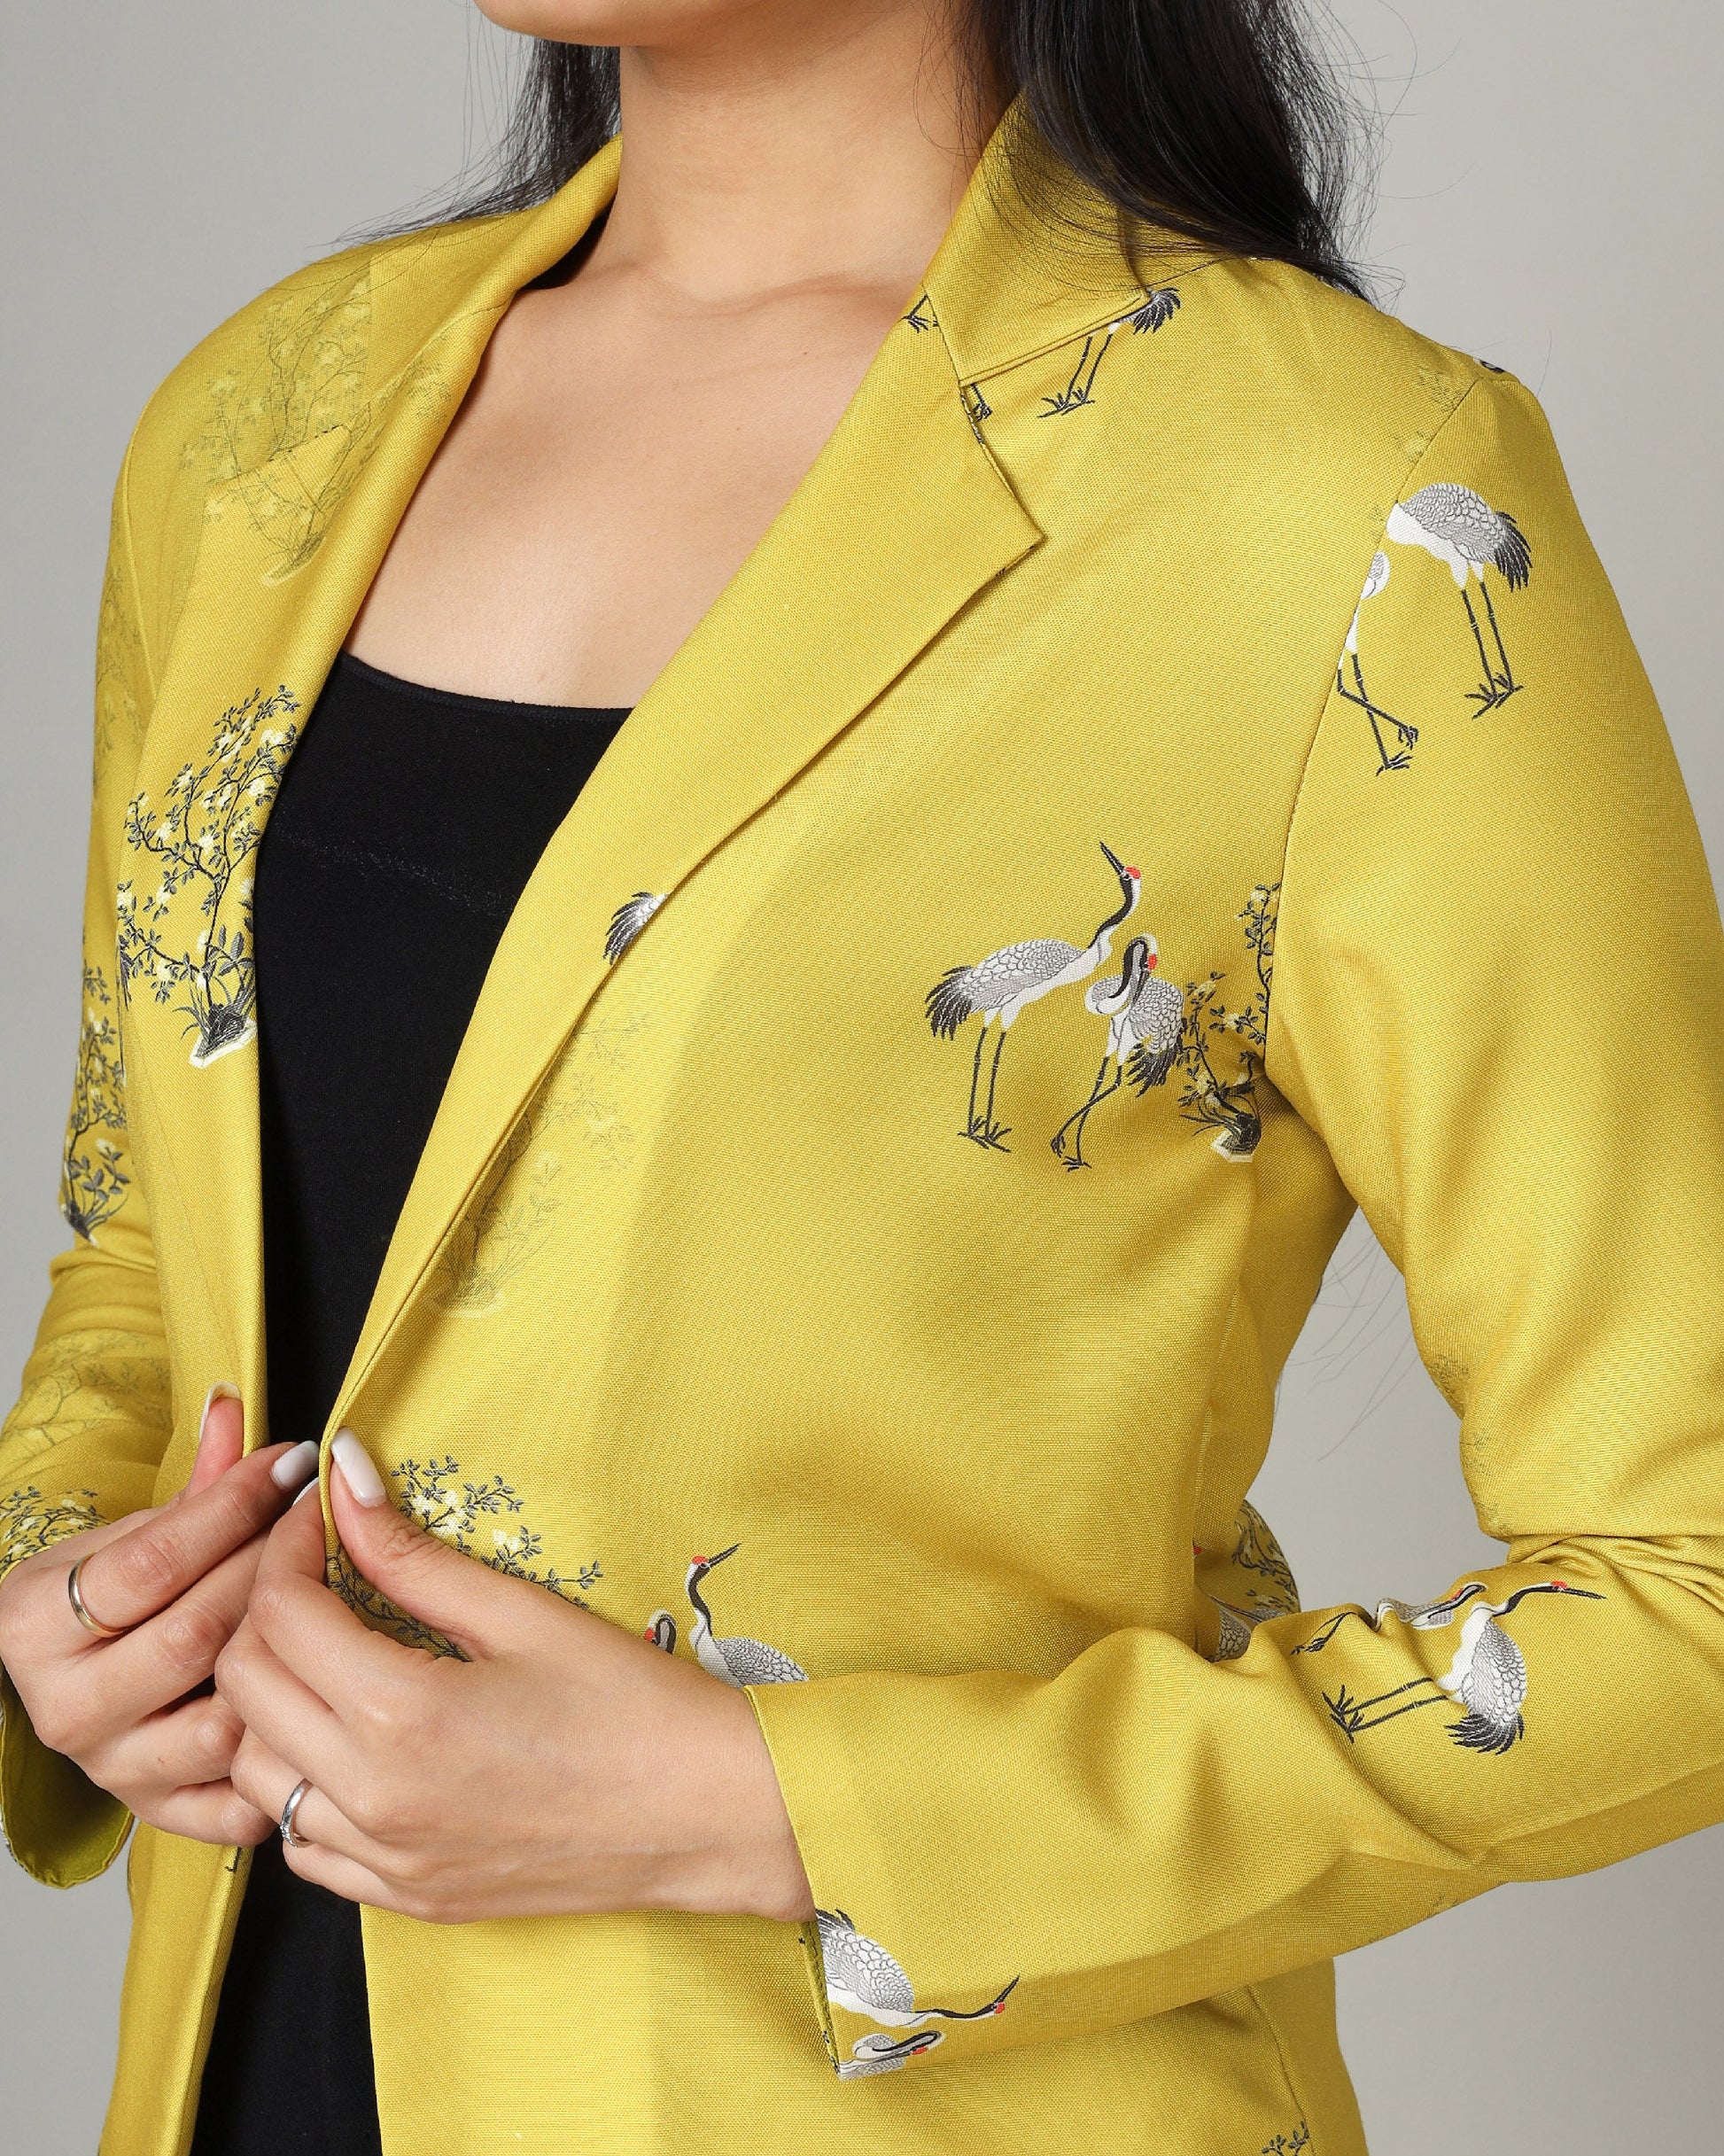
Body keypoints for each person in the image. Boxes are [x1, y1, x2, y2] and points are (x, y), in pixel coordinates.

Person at [2, 3, 1721, 2151]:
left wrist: (786, 1806)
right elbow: (152, 1240)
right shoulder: (264, 424)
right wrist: (70, 1590)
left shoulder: (1334, 493)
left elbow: (1689, 1575)